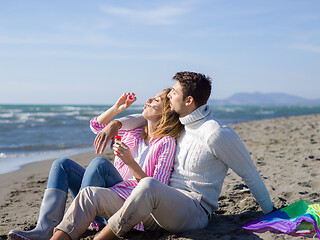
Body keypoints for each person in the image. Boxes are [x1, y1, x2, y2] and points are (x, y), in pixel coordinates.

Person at [51, 71, 274, 240]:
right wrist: (116, 123)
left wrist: (271, 212)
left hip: (194, 210)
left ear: (188, 101)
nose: (169, 97)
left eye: (174, 93)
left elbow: (249, 173)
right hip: (155, 205)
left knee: (148, 185)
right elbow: (142, 118)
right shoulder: (180, 125)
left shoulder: (215, 133)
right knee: (89, 194)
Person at [9, 89, 182, 240]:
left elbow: (155, 188)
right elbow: (97, 126)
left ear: (165, 112)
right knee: (62, 164)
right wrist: (117, 109)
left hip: (128, 204)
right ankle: (45, 229)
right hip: (110, 192)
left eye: (156, 100)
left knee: (99, 163)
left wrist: (130, 162)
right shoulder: (134, 131)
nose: (149, 100)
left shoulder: (166, 143)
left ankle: (76, 223)